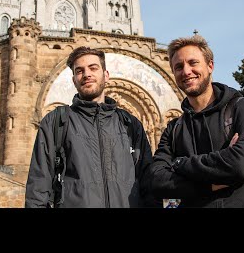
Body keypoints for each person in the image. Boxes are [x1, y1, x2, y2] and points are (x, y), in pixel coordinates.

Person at [148, 35, 244, 208]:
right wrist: (216, 178)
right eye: (178, 67)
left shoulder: (243, 108)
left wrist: (179, 164)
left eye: (193, 63)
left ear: (210, 65)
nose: (186, 71)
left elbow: (242, 166)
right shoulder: (174, 128)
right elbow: (157, 182)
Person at [25, 46, 155, 208]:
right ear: (74, 80)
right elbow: (38, 186)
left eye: (93, 68)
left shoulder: (130, 123)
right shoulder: (56, 122)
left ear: (106, 75)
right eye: (79, 71)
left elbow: (148, 183)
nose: (86, 74)